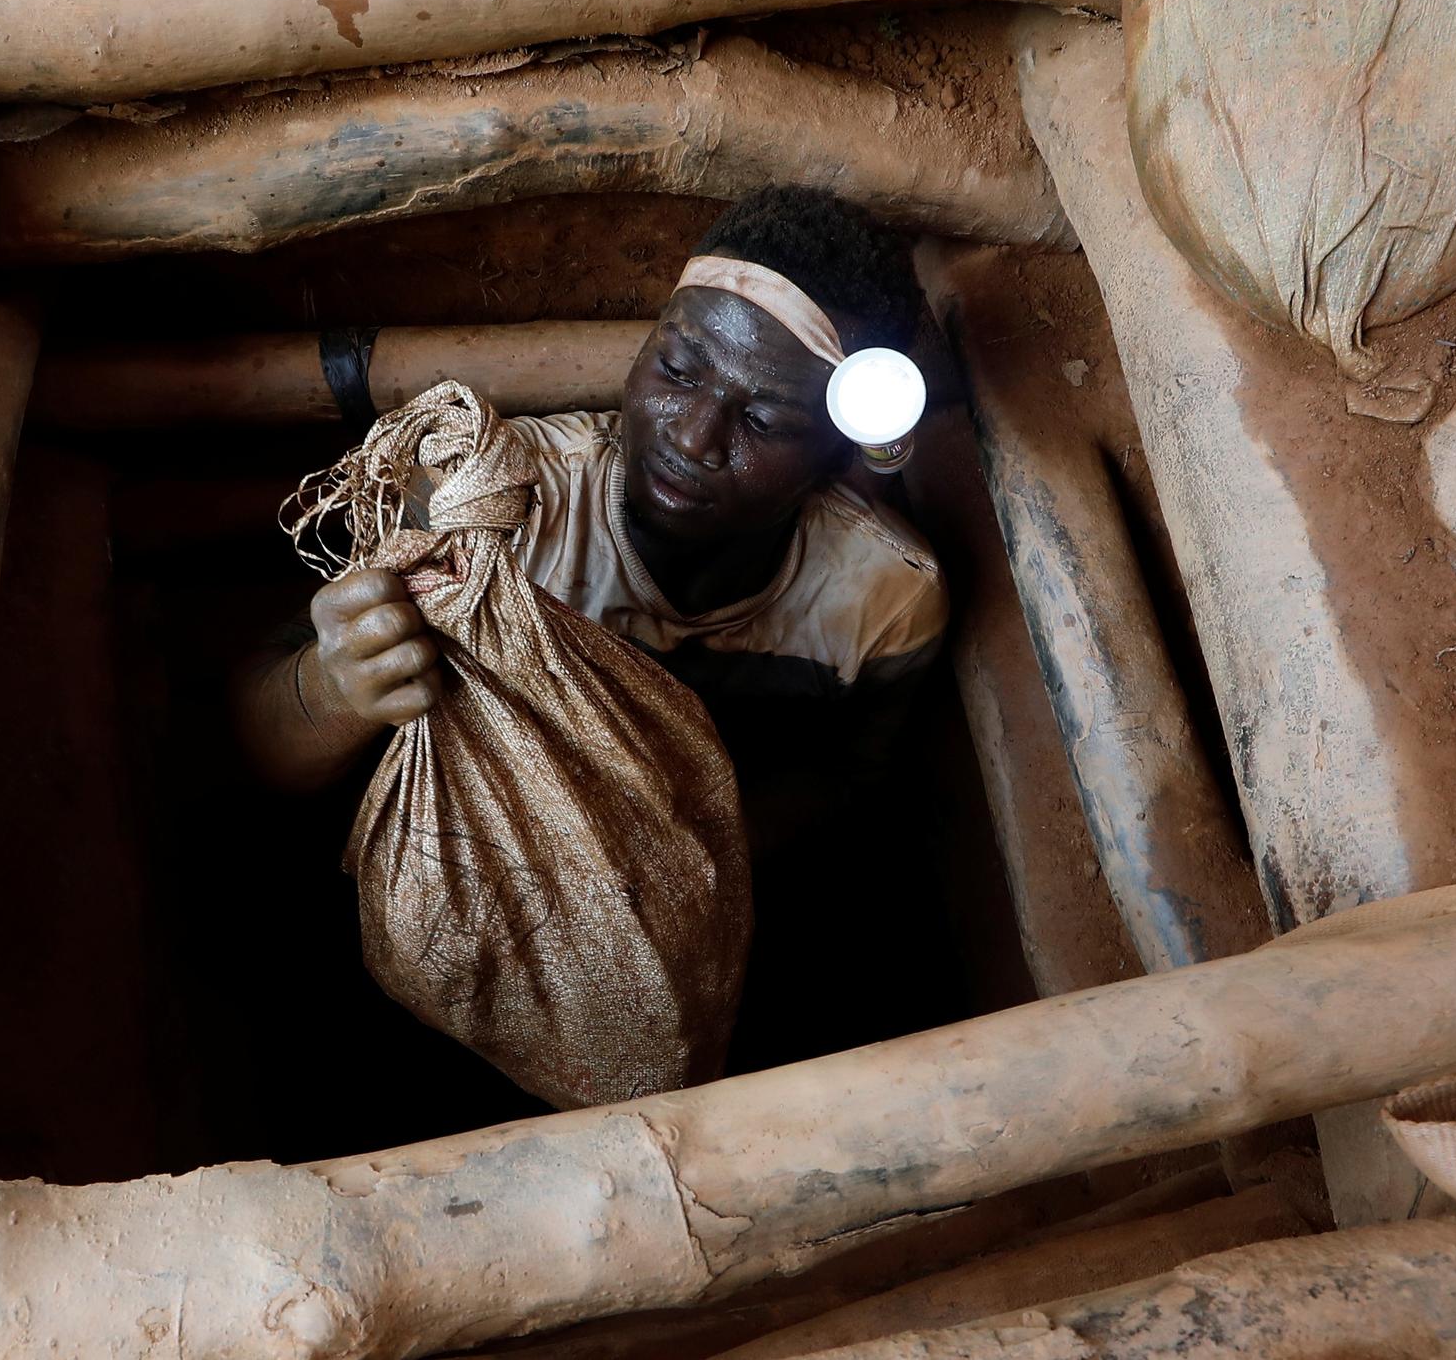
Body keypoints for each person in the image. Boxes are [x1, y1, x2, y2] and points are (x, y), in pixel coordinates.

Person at [236, 186, 953, 1069]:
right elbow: (249, 755)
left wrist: (672, 861)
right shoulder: (501, 517)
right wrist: (332, 685)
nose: (694, 435)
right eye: (679, 369)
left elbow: (853, 776)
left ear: (842, 450)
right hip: (461, 933)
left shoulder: (880, 598)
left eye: (765, 419)